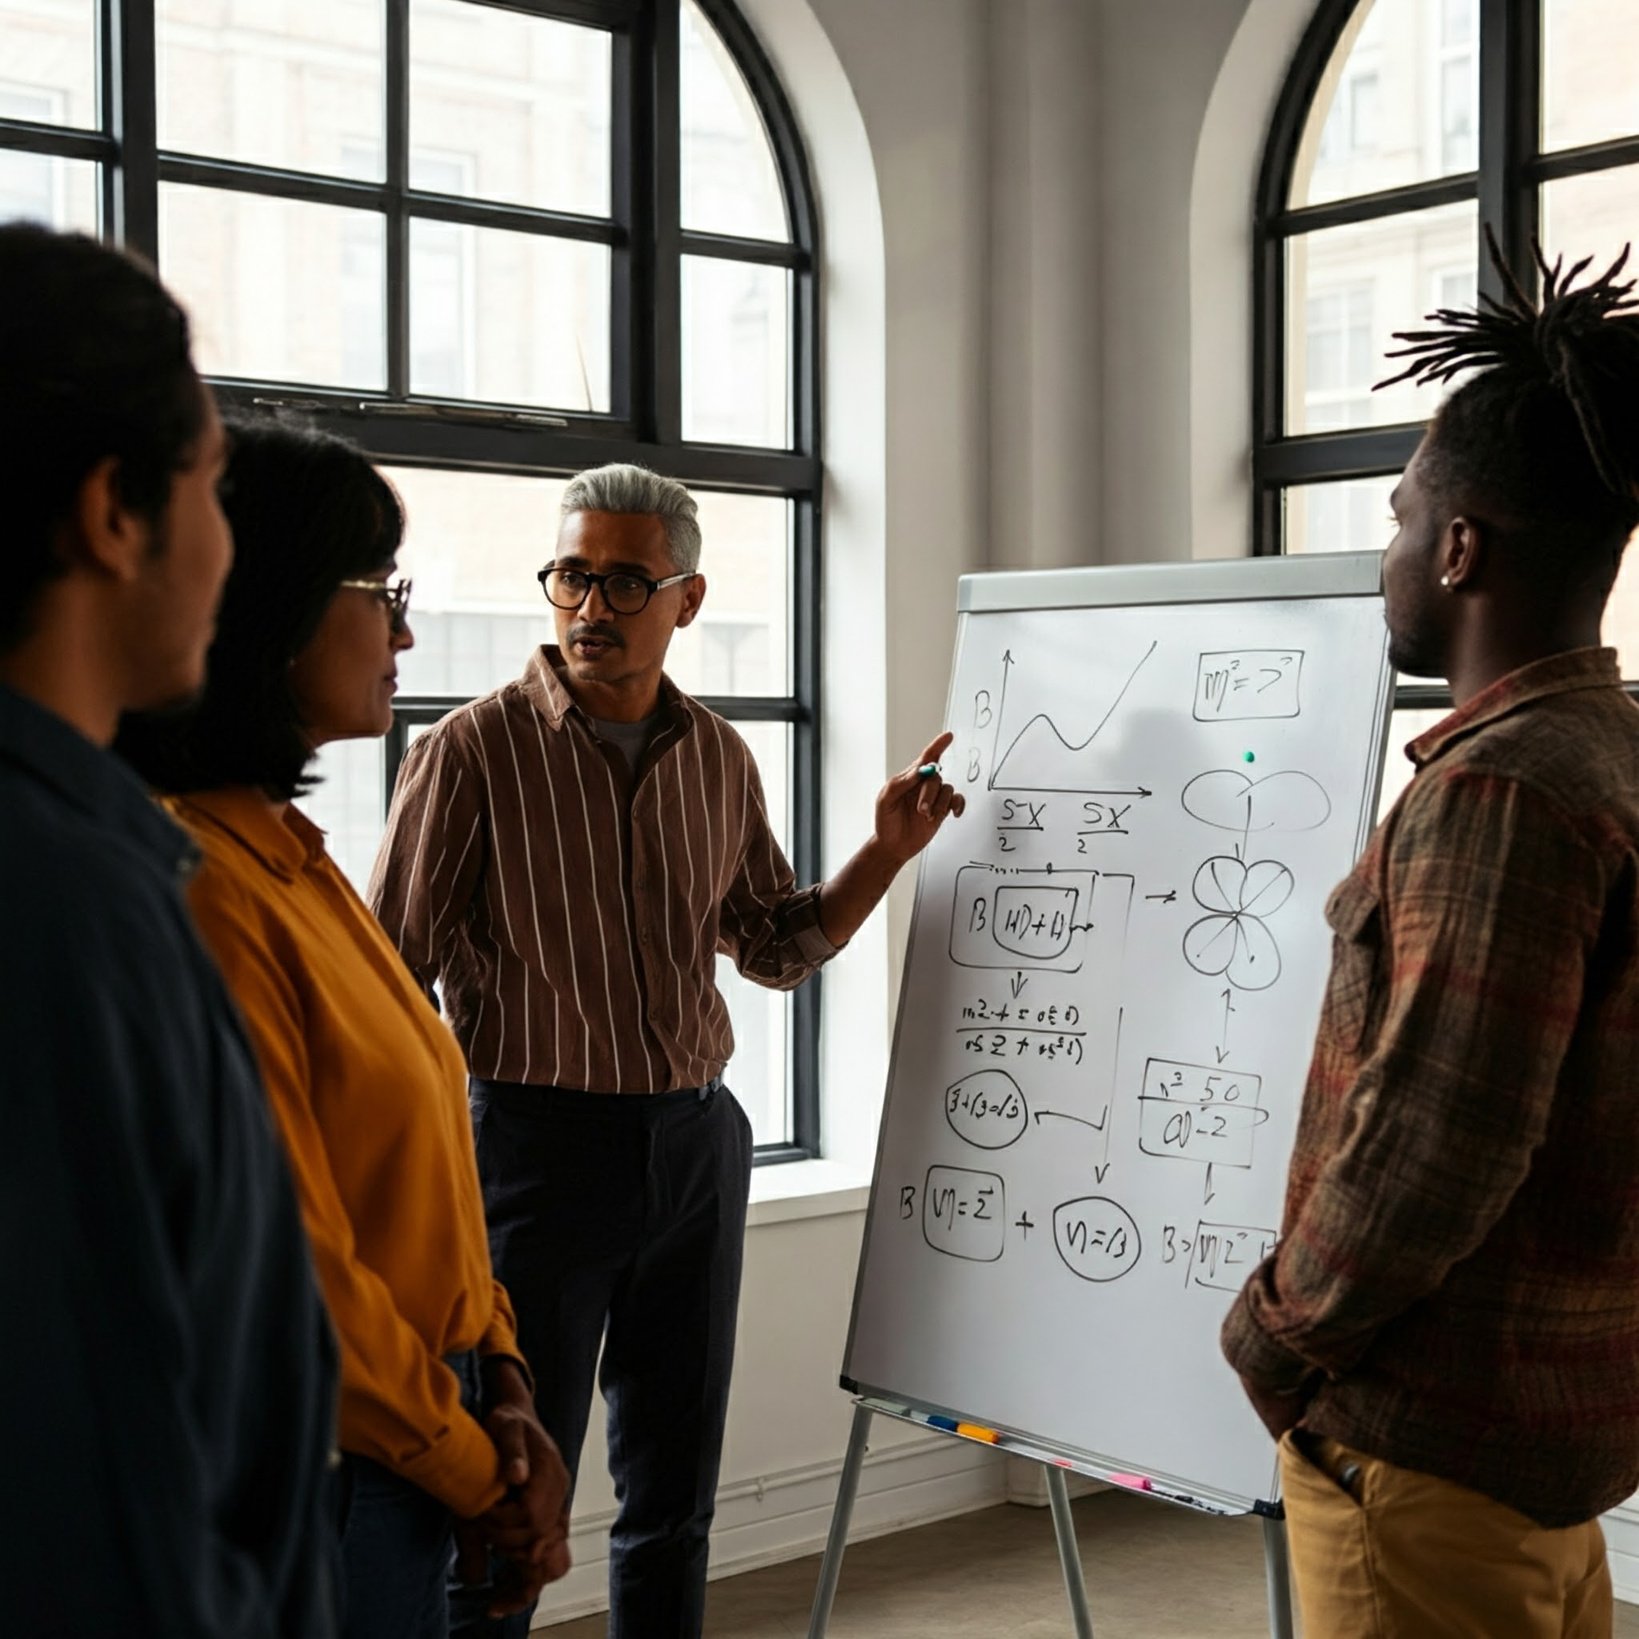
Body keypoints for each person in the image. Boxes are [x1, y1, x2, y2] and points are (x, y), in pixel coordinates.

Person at [369, 462, 965, 1635]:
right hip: (530, 1150)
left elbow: (772, 948)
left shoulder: (717, 757)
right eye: (572, 575)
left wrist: (884, 855)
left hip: (695, 1145)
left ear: (685, 600)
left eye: (625, 581)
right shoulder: (470, 752)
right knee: (502, 1496)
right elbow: (389, 977)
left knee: (673, 1495)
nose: (591, 606)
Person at [1221, 237, 1639, 1638]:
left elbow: (1436, 1134)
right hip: (1549, 1435)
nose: (1385, 548)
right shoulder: (1607, 752)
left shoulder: (1498, 788)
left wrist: (1273, 1334)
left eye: (1399, 516)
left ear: (1458, 546)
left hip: (1427, 1453)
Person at [116, 419, 572, 1639]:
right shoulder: (204, 887)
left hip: (425, 1433)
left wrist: (507, 1378)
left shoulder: (300, 863)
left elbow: (421, 1180)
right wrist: (482, 1466)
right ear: (264, 607)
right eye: (382, 593)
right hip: (343, 1471)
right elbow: (296, 1271)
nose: (407, 634)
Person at [0, 224, 338, 1637]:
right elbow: (106, 1500)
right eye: (210, 484)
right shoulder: (58, 912)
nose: (228, 543)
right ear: (113, 512)